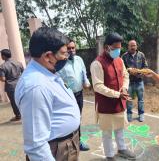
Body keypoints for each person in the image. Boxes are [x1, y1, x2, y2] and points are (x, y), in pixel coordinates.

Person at [15, 27, 80, 161]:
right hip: (55, 151)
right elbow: (36, 146)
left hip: (66, 145)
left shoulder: (47, 70)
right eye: (63, 53)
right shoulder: (36, 87)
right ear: (47, 56)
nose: (66, 57)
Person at [90, 33, 136, 161]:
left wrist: (125, 88)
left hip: (120, 103)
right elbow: (98, 86)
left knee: (120, 127)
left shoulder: (119, 60)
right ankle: (109, 156)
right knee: (107, 132)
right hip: (106, 105)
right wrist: (117, 94)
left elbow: (125, 75)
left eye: (119, 48)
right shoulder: (97, 64)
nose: (118, 51)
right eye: (115, 48)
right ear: (106, 48)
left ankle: (122, 149)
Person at [58, 39, 91, 151]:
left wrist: (86, 81)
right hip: (67, 97)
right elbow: (58, 79)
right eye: (69, 48)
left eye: (73, 48)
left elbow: (83, 72)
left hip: (79, 94)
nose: (71, 50)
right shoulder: (60, 63)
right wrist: (66, 88)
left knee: (78, 118)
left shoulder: (79, 60)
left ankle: (78, 141)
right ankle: (69, 142)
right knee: (69, 119)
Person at [121, 40, 148, 122]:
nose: (133, 47)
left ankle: (141, 114)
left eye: (134, 45)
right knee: (129, 99)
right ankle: (129, 114)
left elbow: (146, 67)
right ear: (128, 47)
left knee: (141, 99)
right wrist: (129, 70)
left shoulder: (141, 55)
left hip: (139, 81)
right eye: (131, 46)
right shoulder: (124, 56)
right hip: (129, 82)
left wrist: (139, 72)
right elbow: (121, 69)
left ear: (136, 46)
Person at [0, 49, 23, 121]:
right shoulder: (19, 63)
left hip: (10, 87)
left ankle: (18, 116)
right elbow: (24, 73)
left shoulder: (2, 66)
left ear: (3, 56)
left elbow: (3, 79)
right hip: (20, 84)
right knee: (22, 100)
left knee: (14, 102)